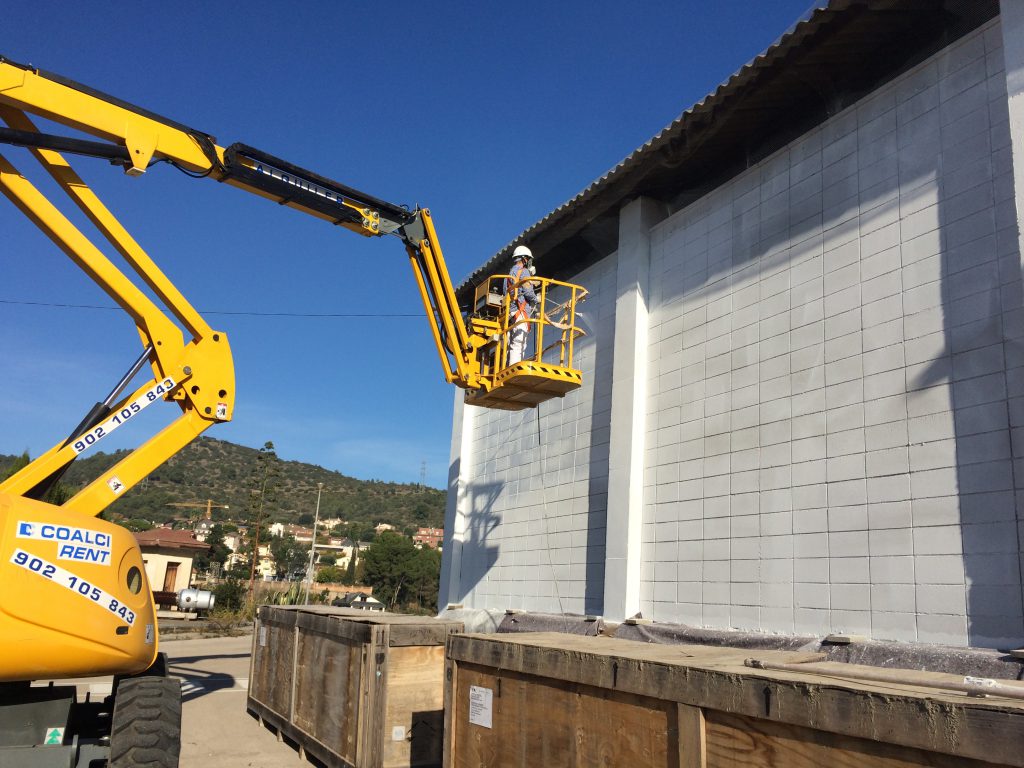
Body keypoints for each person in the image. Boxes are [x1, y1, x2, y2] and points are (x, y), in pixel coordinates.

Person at [506, 245, 540, 366]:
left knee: (511, 342)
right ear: (524, 259)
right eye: (528, 259)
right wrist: (536, 299)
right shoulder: (524, 272)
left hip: (511, 312)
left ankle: (509, 365)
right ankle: (514, 367)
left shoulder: (509, 275)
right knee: (520, 341)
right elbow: (527, 291)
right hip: (520, 310)